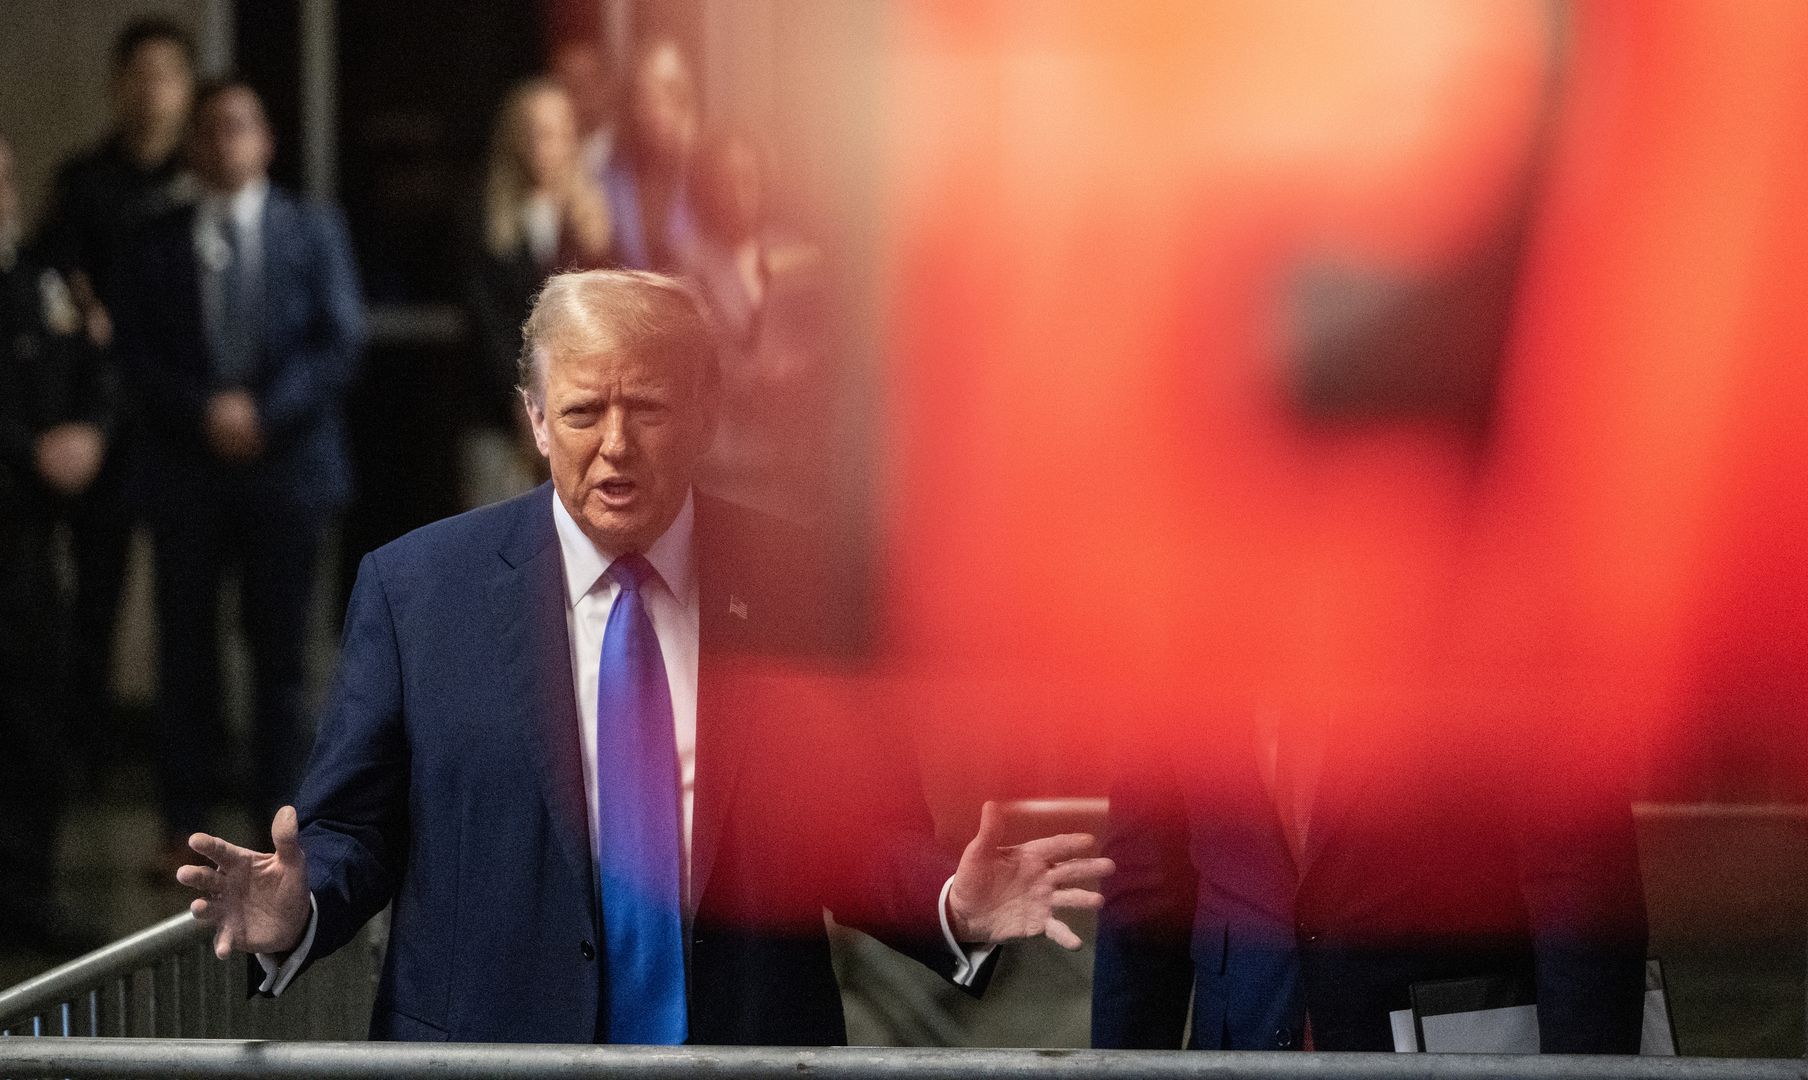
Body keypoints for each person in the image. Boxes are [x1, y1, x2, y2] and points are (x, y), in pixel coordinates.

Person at [174, 269, 1113, 1045]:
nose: (615, 445)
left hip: (744, 1056)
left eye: (649, 408)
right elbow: (352, 835)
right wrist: (297, 914)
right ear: (536, 422)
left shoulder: (803, 592)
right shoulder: (417, 592)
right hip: (488, 1060)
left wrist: (954, 904)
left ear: (707, 412)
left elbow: (857, 834)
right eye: (582, 412)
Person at [116, 79, 366, 853]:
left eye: (240, 127)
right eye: (211, 129)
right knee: (186, 653)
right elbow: (136, 350)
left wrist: (264, 411)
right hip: (188, 472)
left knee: (282, 657)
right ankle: (182, 824)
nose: (226, 142)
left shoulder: (311, 227)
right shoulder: (157, 235)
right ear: (193, 144)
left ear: (265, 141)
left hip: (287, 472)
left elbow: (341, 337)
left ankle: (280, 824)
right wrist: (205, 411)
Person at [1093, 705, 1648, 1052]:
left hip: (1450, 1051)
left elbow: (1581, 886)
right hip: (1239, 1047)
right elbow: (1143, 896)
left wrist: (1587, 1072)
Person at [30, 16, 198, 785]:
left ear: (186, 87)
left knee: (190, 604)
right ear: (116, 84)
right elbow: (63, 290)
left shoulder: (201, 182)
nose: (150, 90)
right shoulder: (83, 182)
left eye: (166, 74)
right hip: (103, 418)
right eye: (138, 73)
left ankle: (194, 766)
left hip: (179, 419)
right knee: (93, 592)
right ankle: (82, 754)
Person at [0, 131, 113, 953]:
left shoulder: (42, 279)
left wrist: (91, 434)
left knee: (35, 713)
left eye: (6, 177)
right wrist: (27, 449)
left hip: (31, 536)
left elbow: (96, 365)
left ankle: (25, 893)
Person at [460, 77, 611, 509]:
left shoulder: (591, 223)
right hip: (500, 421)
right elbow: (488, 323)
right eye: (534, 132)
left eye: (557, 132)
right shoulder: (483, 214)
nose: (545, 145)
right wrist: (525, 404)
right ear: (514, 139)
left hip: (579, 420)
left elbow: (600, 325)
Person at [680, 126, 836, 522]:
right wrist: (757, 376)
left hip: (792, 458)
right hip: (726, 464)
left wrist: (801, 370)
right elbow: (691, 358)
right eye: (724, 181)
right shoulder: (686, 263)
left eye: (748, 178)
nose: (737, 192)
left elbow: (822, 339)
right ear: (705, 187)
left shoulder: (793, 252)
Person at [597, 35, 699, 271]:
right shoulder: (609, 175)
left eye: (669, 90)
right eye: (645, 94)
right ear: (631, 102)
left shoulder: (704, 171)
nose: (658, 105)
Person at [549, 39, 616, 179]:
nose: (583, 94)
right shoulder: (549, 150)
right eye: (571, 84)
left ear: (607, 86)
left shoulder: (620, 149)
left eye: (589, 81)